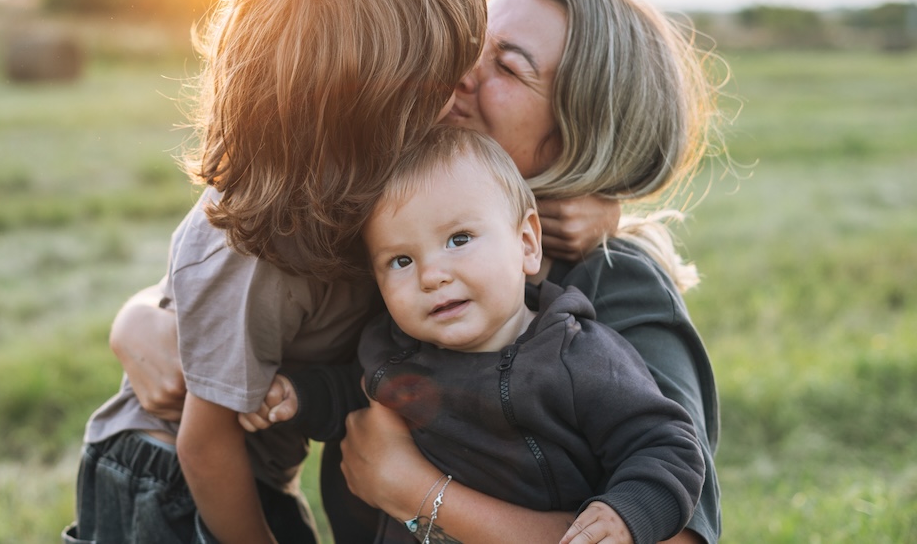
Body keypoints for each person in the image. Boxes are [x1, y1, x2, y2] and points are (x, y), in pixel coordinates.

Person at [108, 0, 724, 544]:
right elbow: (249, 272)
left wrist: (417, 492)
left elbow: (672, 525)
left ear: (586, 128)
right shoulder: (401, 218)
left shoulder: (615, 280)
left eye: (507, 67)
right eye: (468, 47)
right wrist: (145, 316)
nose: (457, 74)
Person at [62, 0, 487, 544]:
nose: (466, 86)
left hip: (244, 471)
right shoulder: (261, 248)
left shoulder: (366, 190)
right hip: (169, 474)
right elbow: (204, 444)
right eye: (445, 76)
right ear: (373, 105)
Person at [238, 127, 705, 544]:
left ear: (526, 243)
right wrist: (299, 397)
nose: (431, 276)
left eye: (459, 239)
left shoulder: (578, 356)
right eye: (401, 260)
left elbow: (666, 444)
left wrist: (626, 513)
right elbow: (353, 394)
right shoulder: (394, 350)